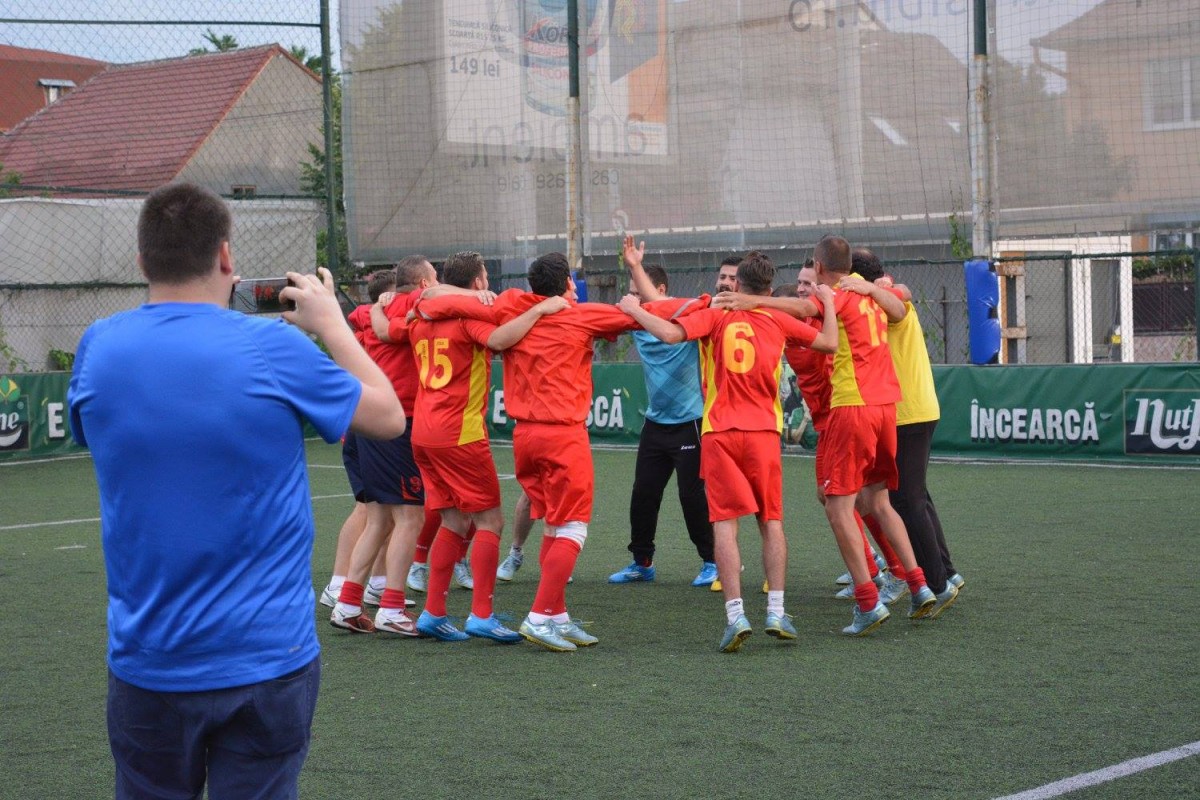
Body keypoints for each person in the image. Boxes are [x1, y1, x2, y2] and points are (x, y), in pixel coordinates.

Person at [67, 182, 406, 799]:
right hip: (266, 657)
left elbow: (95, 433)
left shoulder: (99, 346)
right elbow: (387, 417)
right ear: (227, 257)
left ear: (142, 261)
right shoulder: (272, 345)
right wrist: (332, 325)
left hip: (151, 659)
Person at [417, 252, 640, 652]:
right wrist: (642, 301)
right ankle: (531, 616)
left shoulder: (506, 304)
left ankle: (555, 614)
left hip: (501, 435)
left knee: (547, 524)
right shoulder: (573, 314)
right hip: (543, 434)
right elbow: (645, 319)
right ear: (569, 284)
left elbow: (423, 302)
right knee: (562, 525)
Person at [714, 236, 936, 636]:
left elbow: (801, 310)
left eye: (808, 277)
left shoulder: (831, 302)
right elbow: (900, 302)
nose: (807, 288)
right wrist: (875, 286)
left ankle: (868, 599)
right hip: (887, 405)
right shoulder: (866, 294)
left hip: (851, 408)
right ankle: (918, 585)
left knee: (837, 507)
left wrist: (755, 303)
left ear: (818, 267)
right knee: (878, 500)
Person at [623, 251, 838, 652]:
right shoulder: (776, 316)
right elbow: (829, 342)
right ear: (769, 289)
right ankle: (775, 610)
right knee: (771, 522)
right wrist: (826, 305)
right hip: (762, 434)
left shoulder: (717, 314)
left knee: (725, 526)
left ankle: (736, 615)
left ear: (736, 285)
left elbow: (668, 333)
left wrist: (634, 309)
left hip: (720, 433)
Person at [405, 251, 568, 642]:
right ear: (478, 282)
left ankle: (433, 612)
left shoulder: (421, 315)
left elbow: (415, 306)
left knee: (453, 521)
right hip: (459, 433)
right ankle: (481, 614)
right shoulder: (466, 318)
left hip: (423, 432)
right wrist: (541, 310)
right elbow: (499, 337)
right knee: (490, 521)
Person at [328, 256, 437, 635]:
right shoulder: (420, 304)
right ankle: (391, 606)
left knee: (377, 518)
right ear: (423, 282)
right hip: (397, 423)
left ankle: (346, 601)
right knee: (410, 518)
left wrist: (375, 307)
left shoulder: (370, 311)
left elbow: (359, 318)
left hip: (367, 423)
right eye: (434, 279)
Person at [851, 247, 962, 616]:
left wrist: (870, 290)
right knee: (917, 497)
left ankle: (936, 582)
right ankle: (945, 572)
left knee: (906, 501)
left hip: (907, 413)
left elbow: (900, 297)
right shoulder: (882, 298)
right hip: (912, 410)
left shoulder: (885, 302)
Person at [608, 235, 716, 587]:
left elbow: (666, 328)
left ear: (661, 290)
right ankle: (642, 562)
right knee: (643, 494)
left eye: (638, 291)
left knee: (692, 496)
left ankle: (712, 561)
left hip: (691, 421)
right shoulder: (633, 318)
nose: (631, 298)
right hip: (656, 424)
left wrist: (637, 306)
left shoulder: (684, 311)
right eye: (630, 292)